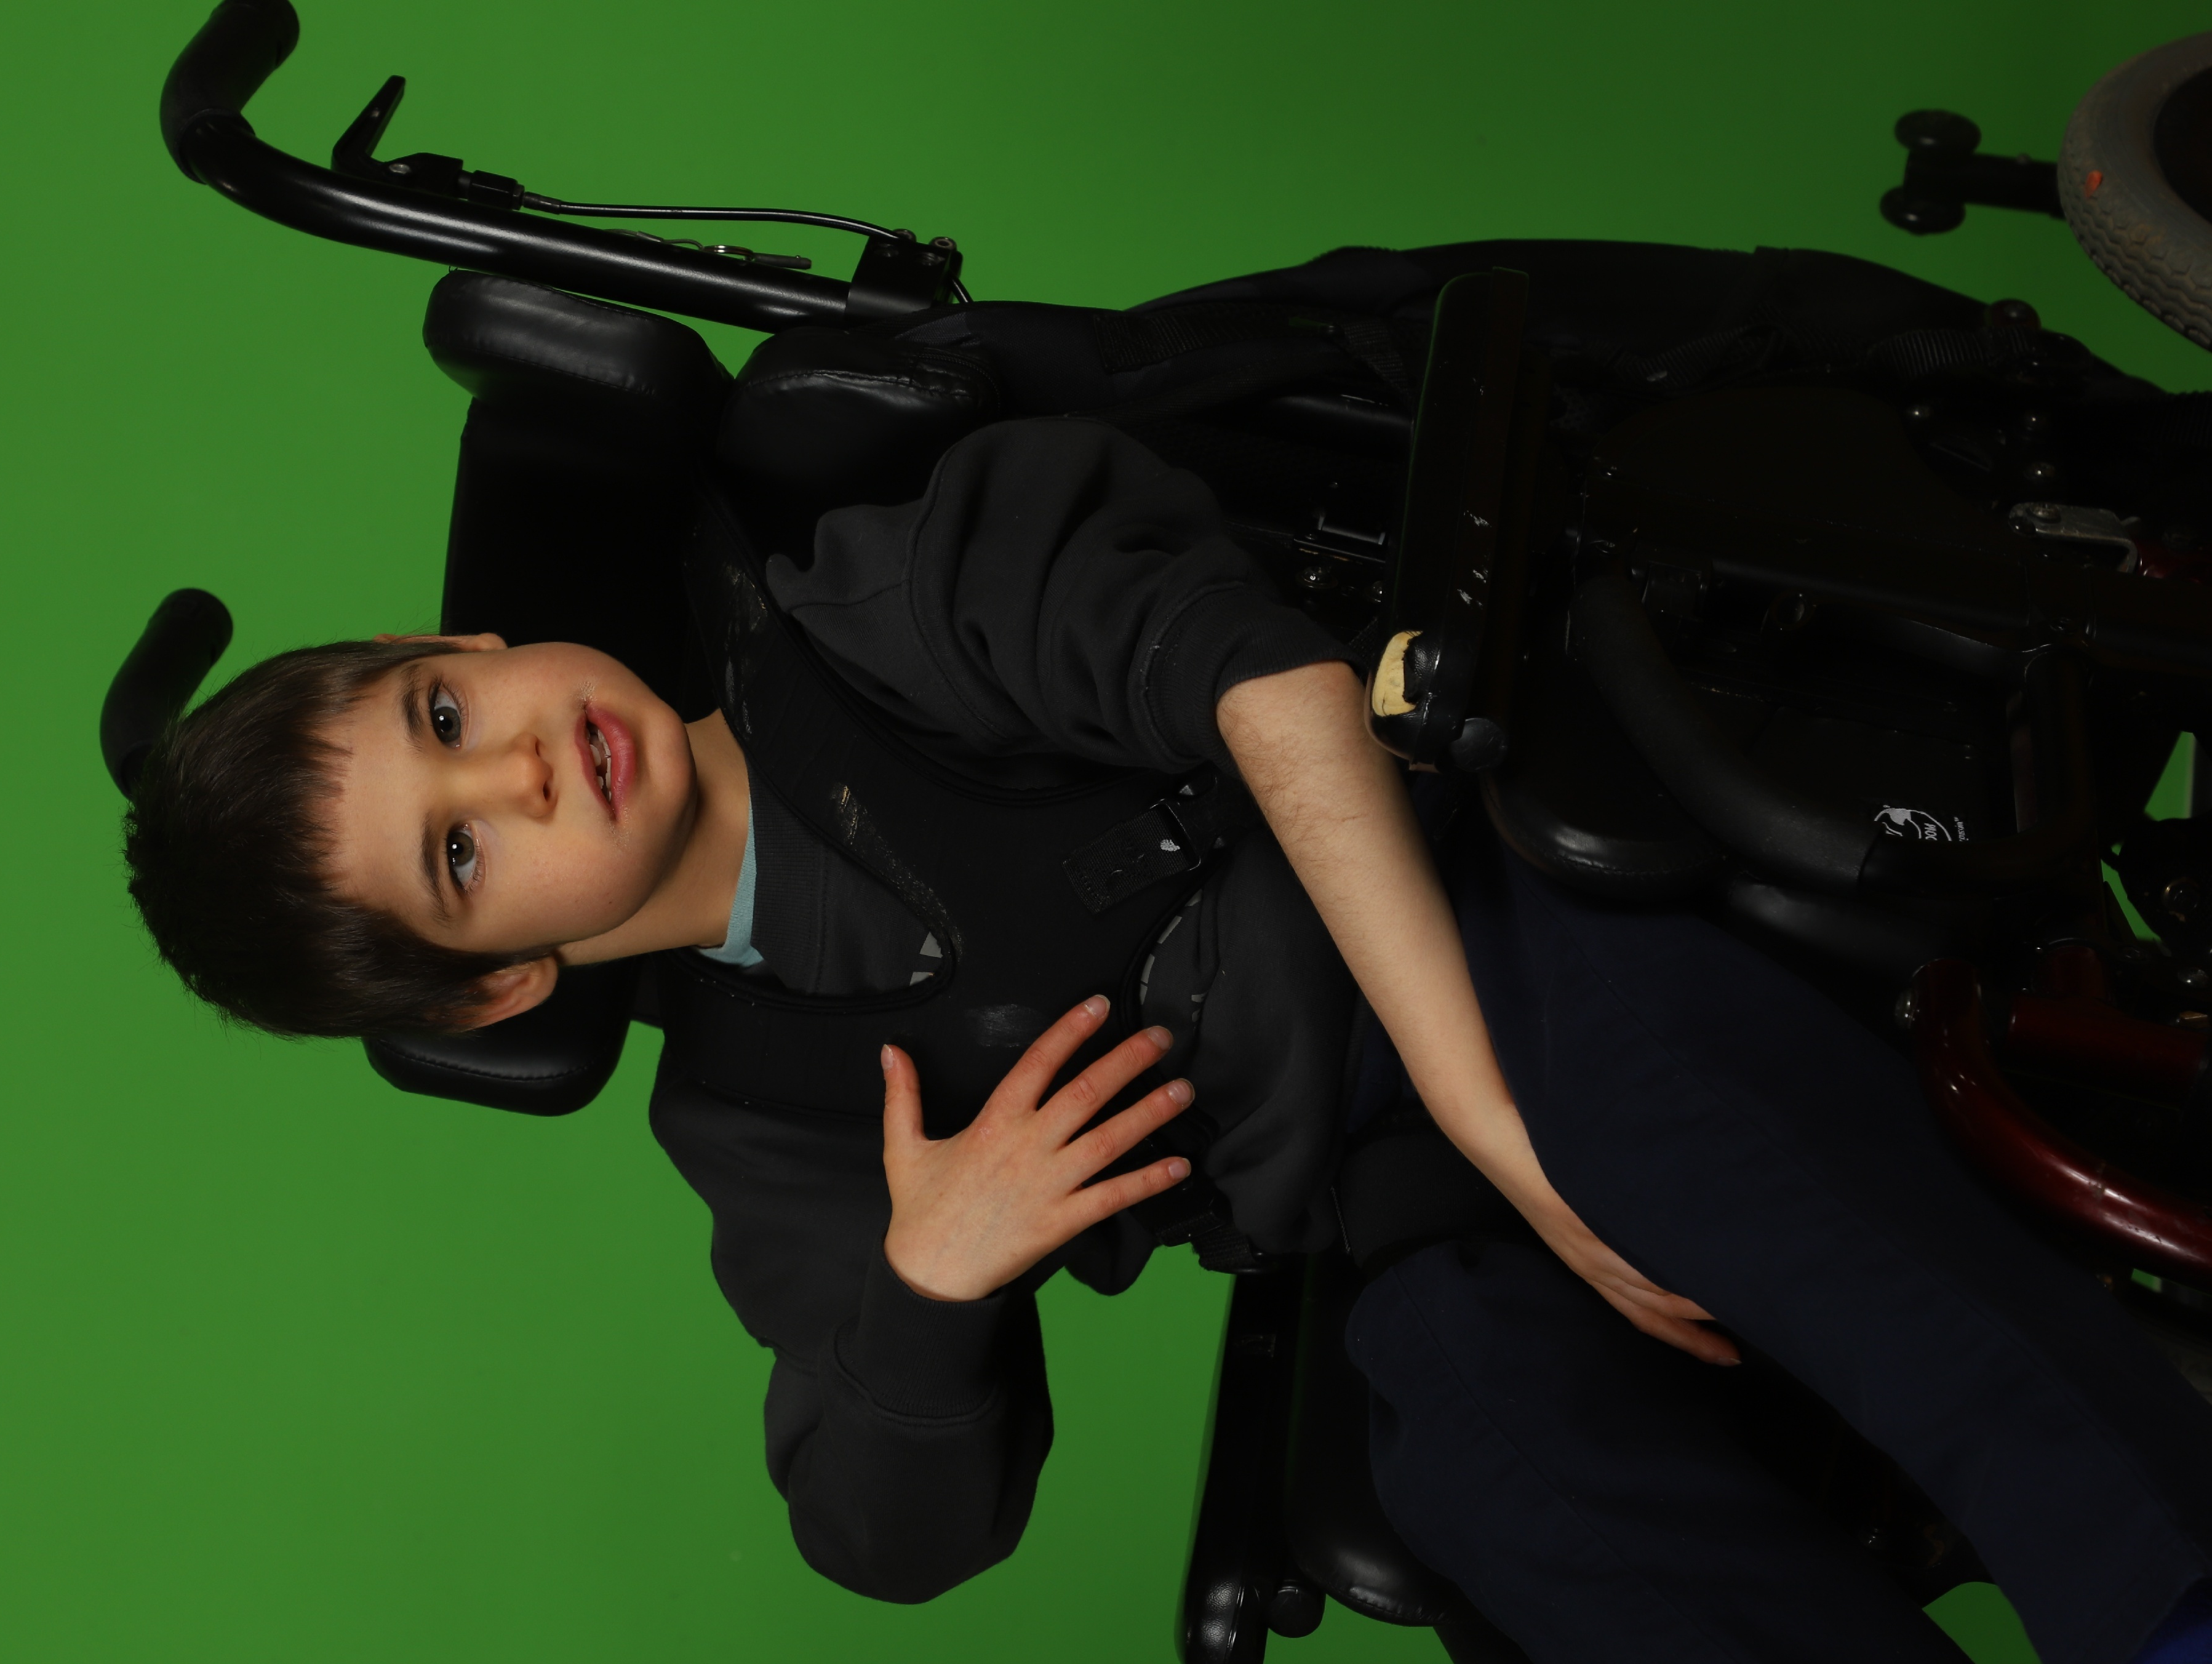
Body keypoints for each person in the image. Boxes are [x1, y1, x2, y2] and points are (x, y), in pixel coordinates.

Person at [124, 403, 2212, 1662]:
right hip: (1397, 1206)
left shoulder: (871, 610)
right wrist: (934, 1284)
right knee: (1484, 1469)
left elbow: (1263, 681)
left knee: (1670, 1144)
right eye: (461, 858)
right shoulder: (763, 1115)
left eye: (443, 715)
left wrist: (1490, 1112)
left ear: (464, 642)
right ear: (498, 984)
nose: (515, 771)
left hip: (1514, 914)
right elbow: (877, 1543)